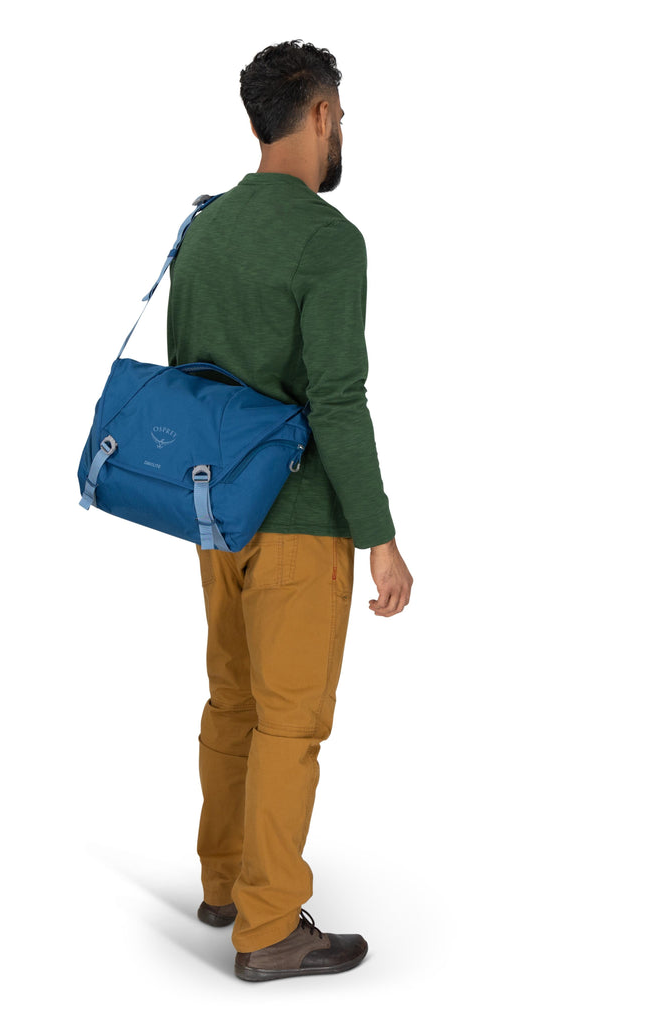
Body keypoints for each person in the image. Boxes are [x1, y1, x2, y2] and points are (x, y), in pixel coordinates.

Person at [166, 40, 413, 982]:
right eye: (339, 116)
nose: (340, 131)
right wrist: (379, 538)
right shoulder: (328, 239)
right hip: (301, 519)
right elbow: (338, 400)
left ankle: (224, 880)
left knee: (231, 696)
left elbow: (189, 364)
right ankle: (269, 925)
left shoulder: (206, 225)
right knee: (290, 720)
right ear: (317, 114)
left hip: (215, 510)